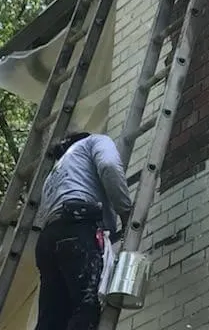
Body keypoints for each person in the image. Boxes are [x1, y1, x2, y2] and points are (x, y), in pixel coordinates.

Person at [34, 131, 132, 330]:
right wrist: (126, 213)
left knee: (51, 319)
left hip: (48, 240)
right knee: (86, 306)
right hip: (78, 227)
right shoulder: (95, 141)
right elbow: (109, 165)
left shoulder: (56, 171)